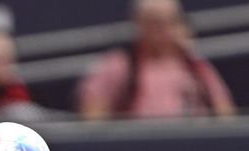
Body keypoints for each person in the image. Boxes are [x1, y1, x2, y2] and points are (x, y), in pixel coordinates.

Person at [77, 0, 235, 120]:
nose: (163, 29)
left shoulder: (196, 66)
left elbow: (225, 115)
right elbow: (92, 118)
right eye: (155, 22)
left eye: (170, 21)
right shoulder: (119, 65)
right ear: (139, 24)